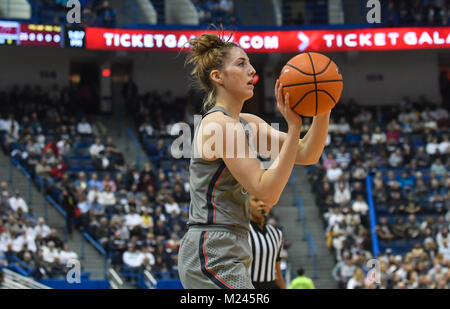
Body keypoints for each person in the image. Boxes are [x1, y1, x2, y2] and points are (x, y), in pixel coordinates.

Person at [177, 32, 330, 289]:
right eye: (241, 64)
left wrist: (323, 104)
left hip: (232, 243)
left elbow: (307, 153)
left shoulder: (248, 124)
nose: (252, 70)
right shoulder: (219, 125)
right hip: (211, 246)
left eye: (249, 63)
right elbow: (266, 192)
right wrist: (293, 129)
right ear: (218, 77)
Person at [248, 195, 285, 289]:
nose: (261, 204)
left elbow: (277, 271)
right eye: (256, 200)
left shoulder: (277, 234)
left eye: (265, 200)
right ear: (247, 203)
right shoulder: (241, 231)